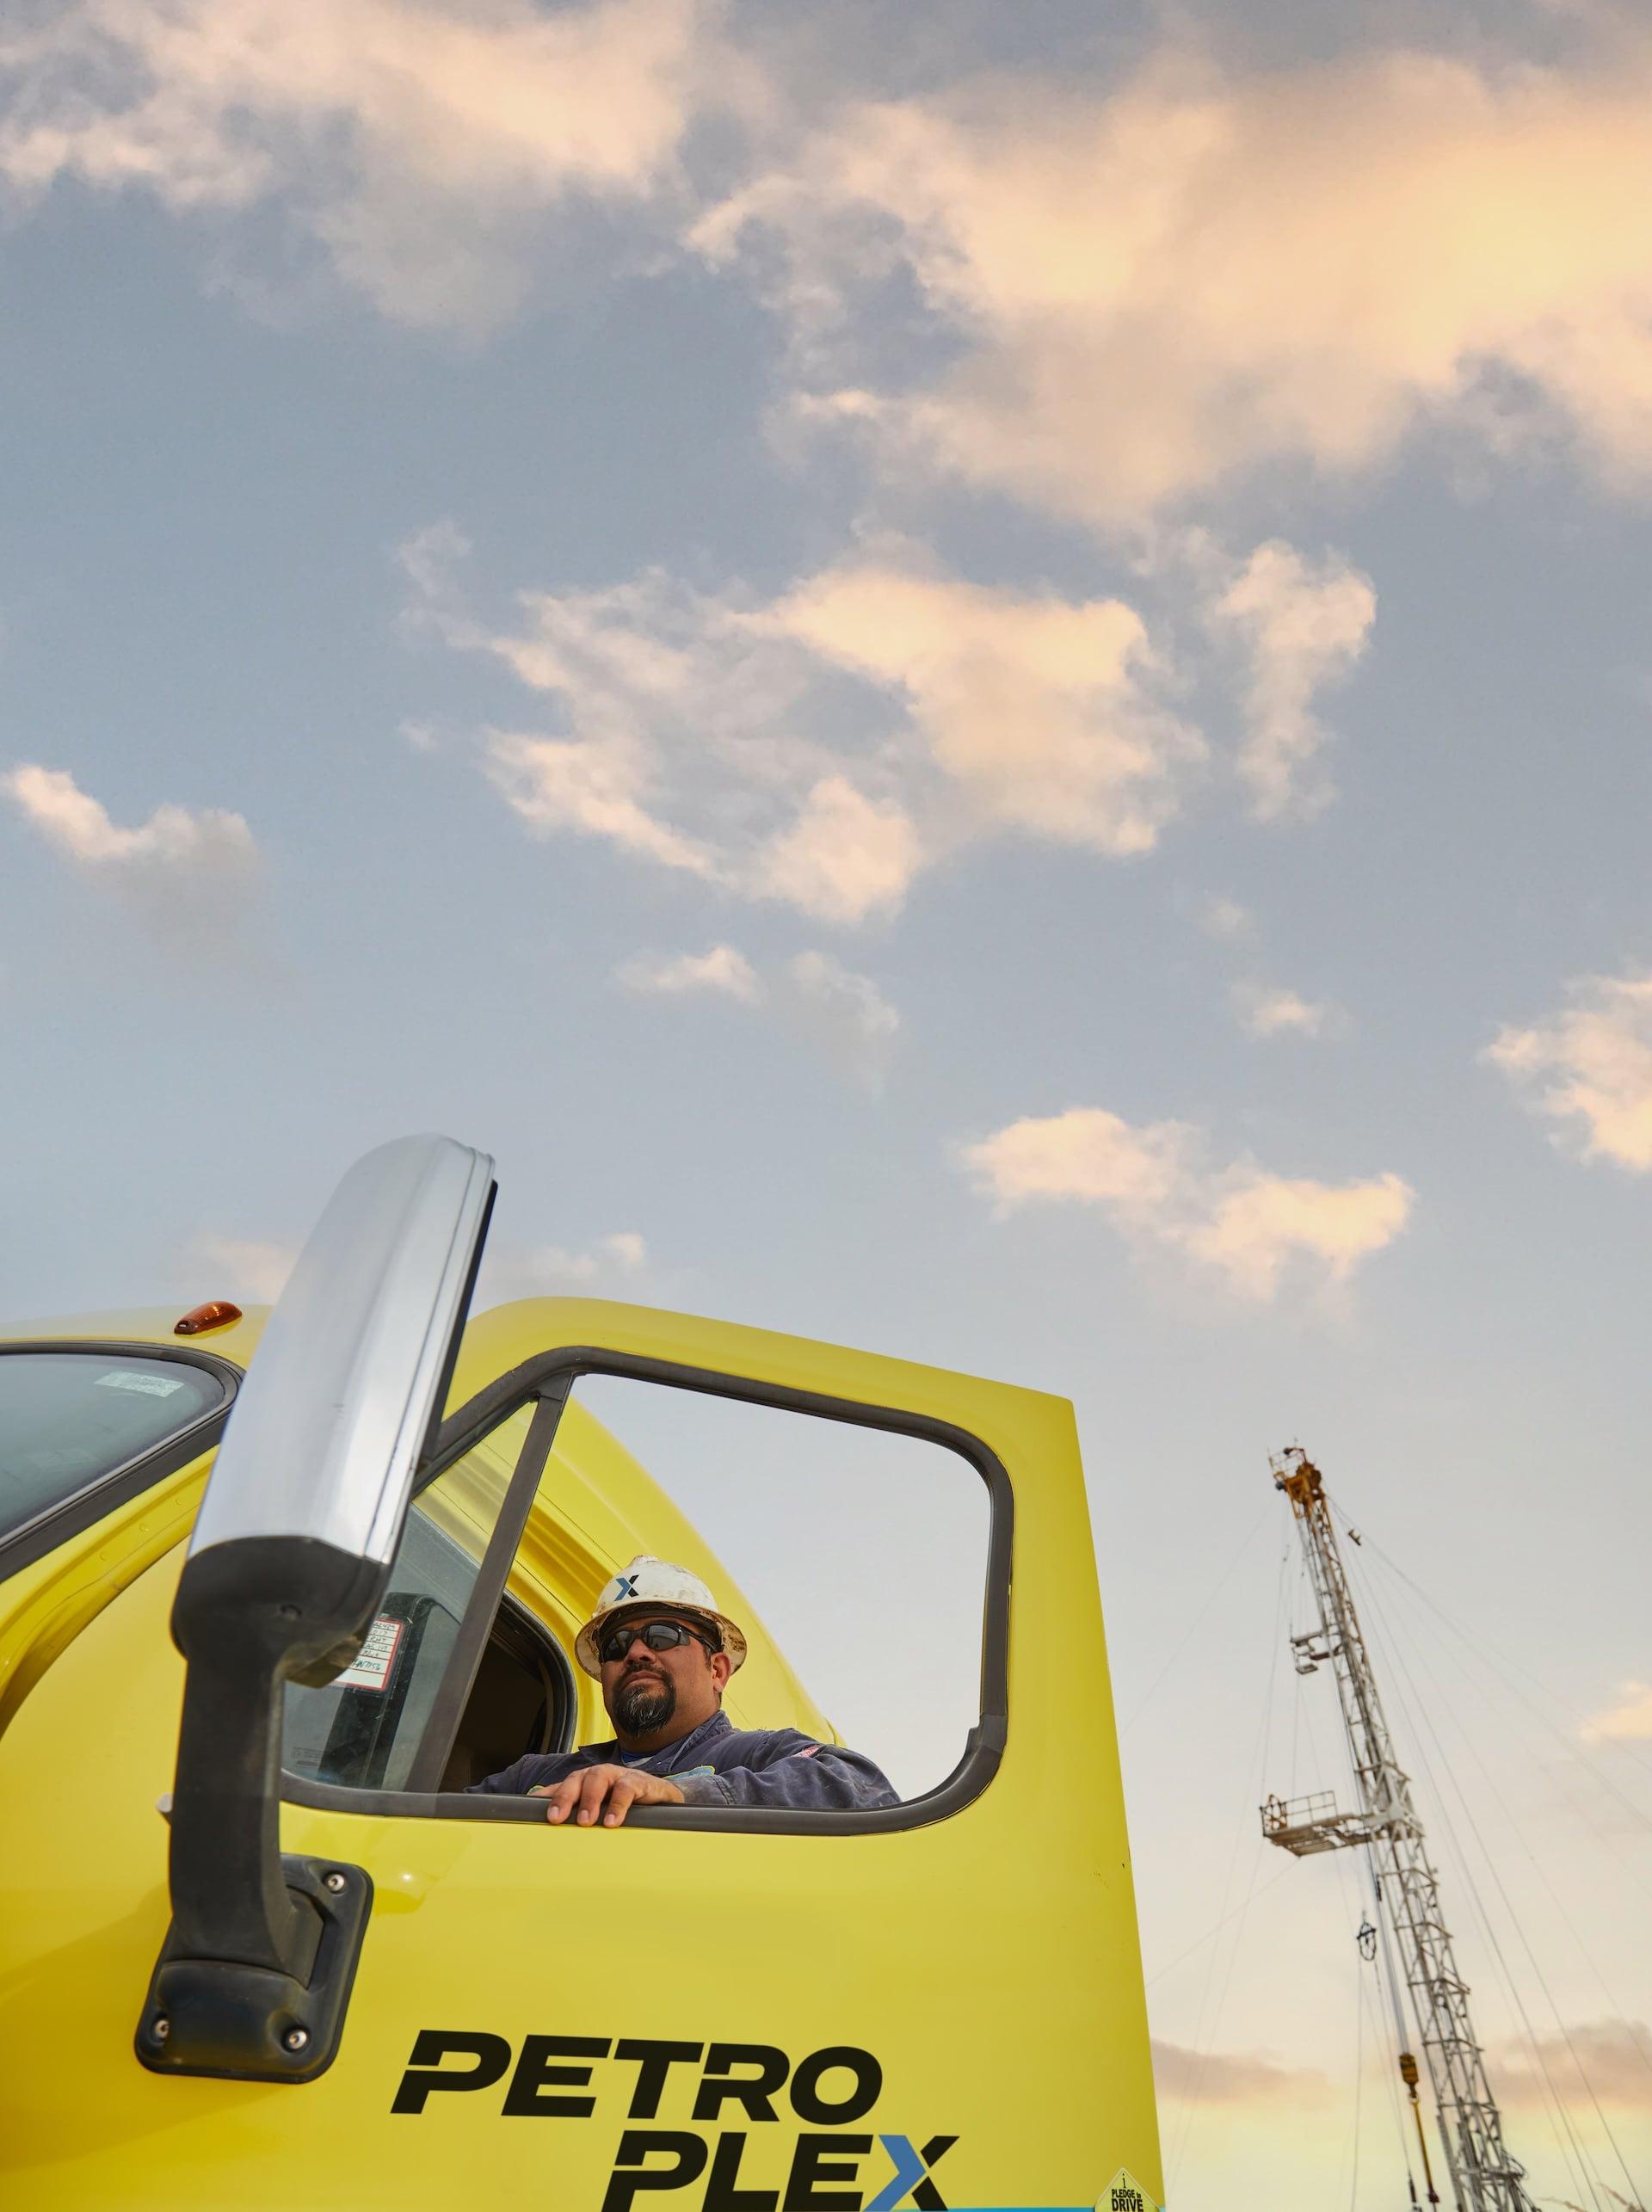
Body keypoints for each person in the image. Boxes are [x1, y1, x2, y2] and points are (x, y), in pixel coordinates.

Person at [471, 1555, 898, 1826]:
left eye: (661, 1635)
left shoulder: (761, 1754)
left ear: (717, 1670)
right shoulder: (533, 1776)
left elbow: (863, 1789)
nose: (636, 1651)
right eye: (616, 1645)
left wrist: (679, 1794)